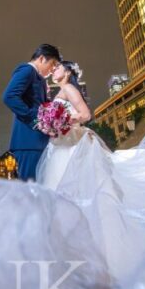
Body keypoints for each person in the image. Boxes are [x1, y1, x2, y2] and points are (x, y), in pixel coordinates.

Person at [36, 60, 102, 191]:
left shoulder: (68, 88)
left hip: (70, 141)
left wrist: (62, 120)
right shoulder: (61, 91)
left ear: (67, 72)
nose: (53, 70)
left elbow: (85, 114)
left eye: (57, 67)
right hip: (59, 141)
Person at [1, 43, 61, 181]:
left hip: (37, 141)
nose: (52, 70)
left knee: (39, 188)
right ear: (41, 59)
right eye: (52, 64)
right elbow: (9, 97)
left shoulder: (38, 77)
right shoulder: (27, 70)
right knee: (31, 190)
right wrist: (36, 121)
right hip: (29, 141)